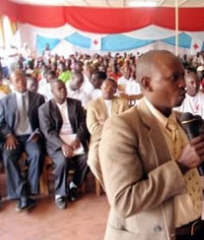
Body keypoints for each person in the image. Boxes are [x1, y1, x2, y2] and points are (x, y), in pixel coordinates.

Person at [98, 50, 204, 239]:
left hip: (199, 230)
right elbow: (124, 201)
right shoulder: (122, 127)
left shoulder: (184, 121)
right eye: (174, 78)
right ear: (147, 84)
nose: (183, 84)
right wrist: (181, 166)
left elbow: (200, 178)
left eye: (183, 76)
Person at [38, 80, 90, 210]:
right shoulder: (44, 109)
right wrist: (62, 145)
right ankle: (60, 193)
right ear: (52, 92)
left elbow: (83, 124)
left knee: (86, 158)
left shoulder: (76, 104)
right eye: (59, 89)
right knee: (63, 160)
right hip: (56, 142)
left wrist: (78, 138)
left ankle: (74, 185)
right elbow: (48, 132)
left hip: (74, 140)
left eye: (64, 88)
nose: (63, 90)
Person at [0, 69, 46, 211]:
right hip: (14, 137)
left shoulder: (38, 98)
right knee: (8, 157)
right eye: (17, 81)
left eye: (23, 79)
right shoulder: (5, 101)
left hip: (31, 136)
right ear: (12, 84)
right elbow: (1, 122)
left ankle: (28, 191)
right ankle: (23, 194)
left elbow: (43, 121)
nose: (21, 82)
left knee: (37, 153)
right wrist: (8, 135)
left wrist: (38, 132)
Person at [86, 78, 130, 185]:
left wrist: (105, 123)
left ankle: (122, 184)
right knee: (93, 160)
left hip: (119, 139)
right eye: (105, 87)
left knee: (128, 158)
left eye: (112, 88)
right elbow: (93, 128)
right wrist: (114, 124)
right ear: (101, 88)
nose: (108, 90)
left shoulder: (122, 103)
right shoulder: (92, 105)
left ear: (115, 90)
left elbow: (127, 124)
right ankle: (108, 185)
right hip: (99, 140)